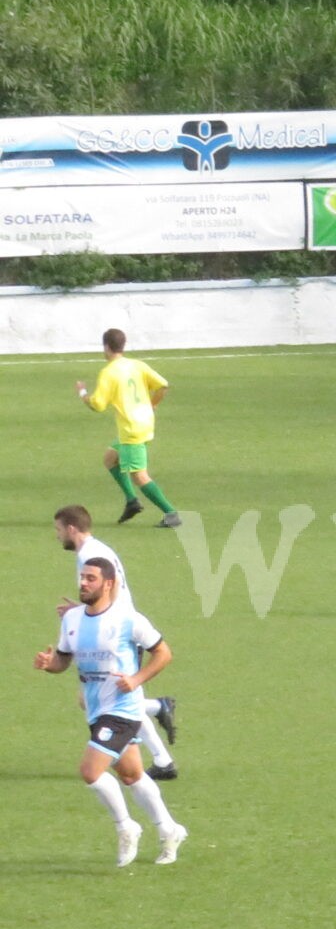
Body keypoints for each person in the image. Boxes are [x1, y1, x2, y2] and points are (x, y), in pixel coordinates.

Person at [35, 556, 187, 867]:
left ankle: (126, 826)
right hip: (95, 709)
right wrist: (50, 665)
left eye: (91, 578)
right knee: (132, 775)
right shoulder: (72, 620)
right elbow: (63, 660)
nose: (83, 583)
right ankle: (170, 830)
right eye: (82, 577)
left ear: (108, 583)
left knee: (91, 772)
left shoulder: (129, 620)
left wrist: (136, 679)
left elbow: (164, 652)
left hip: (123, 710)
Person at [55, 505, 179, 781]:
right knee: (97, 700)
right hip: (114, 623)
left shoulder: (89, 554)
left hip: (117, 631)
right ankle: (160, 731)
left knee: (111, 700)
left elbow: (110, 589)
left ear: (71, 528)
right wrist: (83, 610)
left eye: (59, 529)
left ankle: (161, 752)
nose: (57, 535)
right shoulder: (96, 548)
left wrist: (95, 615)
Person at [78, 329, 180, 528]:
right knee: (110, 458)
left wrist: (82, 393)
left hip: (131, 429)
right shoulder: (136, 365)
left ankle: (171, 513)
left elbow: (97, 405)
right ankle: (132, 501)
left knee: (139, 475)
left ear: (106, 347)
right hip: (144, 422)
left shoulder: (109, 372)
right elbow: (163, 385)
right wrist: (152, 405)